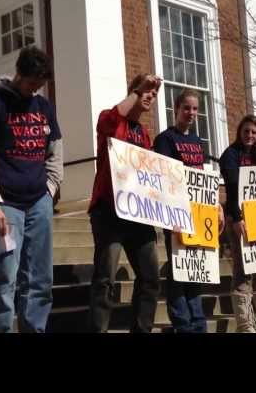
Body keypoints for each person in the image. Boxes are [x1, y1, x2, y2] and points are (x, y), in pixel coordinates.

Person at [0, 45, 63, 333]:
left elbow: (55, 148)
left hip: (39, 202)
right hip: (5, 205)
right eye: (32, 82)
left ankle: (34, 329)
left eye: (40, 84)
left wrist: (51, 186)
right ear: (19, 73)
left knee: (39, 278)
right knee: (3, 277)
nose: (35, 89)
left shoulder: (44, 107)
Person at [88, 73, 162, 333]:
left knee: (151, 277)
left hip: (138, 216)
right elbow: (109, 120)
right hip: (109, 211)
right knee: (105, 278)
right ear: (134, 92)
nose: (151, 96)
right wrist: (138, 89)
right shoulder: (110, 119)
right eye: (146, 91)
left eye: (154, 94)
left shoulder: (143, 134)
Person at [153, 89, 217, 333]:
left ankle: (198, 322)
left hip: (199, 215)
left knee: (195, 268)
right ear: (176, 109)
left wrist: (215, 210)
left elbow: (202, 180)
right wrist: (172, 218)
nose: (191, 113)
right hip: (176, 215)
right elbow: (164, 179)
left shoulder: (198, 142)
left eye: (195, 109)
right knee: (179, 270)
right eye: (186, 108)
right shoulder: (165, 139)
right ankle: (183, 323)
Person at [220, 114, 256, 333]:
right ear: (239, 132)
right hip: (239, 218)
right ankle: (246, 325)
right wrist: (236, 219)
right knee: (242, 271)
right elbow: (233, 189)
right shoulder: (230, 155)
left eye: (254, 132)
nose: (250, 136)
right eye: (246, 131)